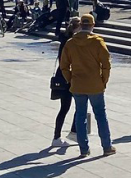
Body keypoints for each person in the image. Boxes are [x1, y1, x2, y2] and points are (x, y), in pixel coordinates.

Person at [59, 13, 116, 158]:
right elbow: (106, 64)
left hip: (77, 84)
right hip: (95, 84)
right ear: (93, 25)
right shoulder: (98, 42)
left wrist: (70, 79)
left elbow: (64, 65)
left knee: (80, 115)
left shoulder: (71, 43)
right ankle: (107, 146)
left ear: (80, 25)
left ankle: (84, 149)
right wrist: (104, 80)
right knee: (101, 115)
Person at [51, 17, 81, 147]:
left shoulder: (65, 39)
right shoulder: (70, 42)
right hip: (68, 78)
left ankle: (61, 136)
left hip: (64, 76)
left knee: (68, 107)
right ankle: (68, 134)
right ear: (76, 28)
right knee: (76, 105)